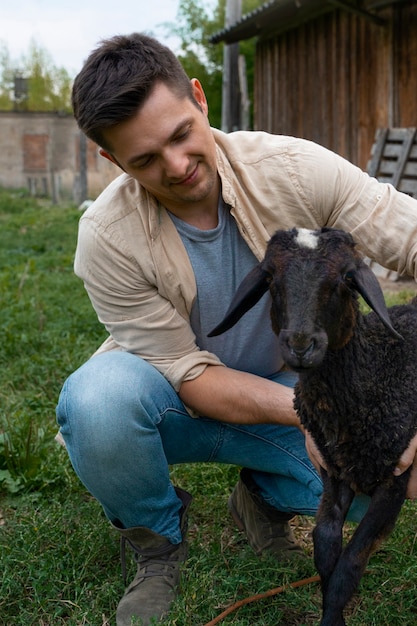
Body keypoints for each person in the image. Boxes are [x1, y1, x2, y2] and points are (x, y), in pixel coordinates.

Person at [56, 32, 417, 626]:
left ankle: (262, 500)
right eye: (145, 159)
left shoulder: (296, 169)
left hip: (297, 383)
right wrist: (311, 415)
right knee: (98, 405)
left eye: (181, 135)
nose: (176, 167)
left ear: (199, 99)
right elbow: (190, 374)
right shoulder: (106, 236)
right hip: (174, 401)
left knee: (388, 478)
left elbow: (406, 237)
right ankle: (157, 543)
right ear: (112, 160)